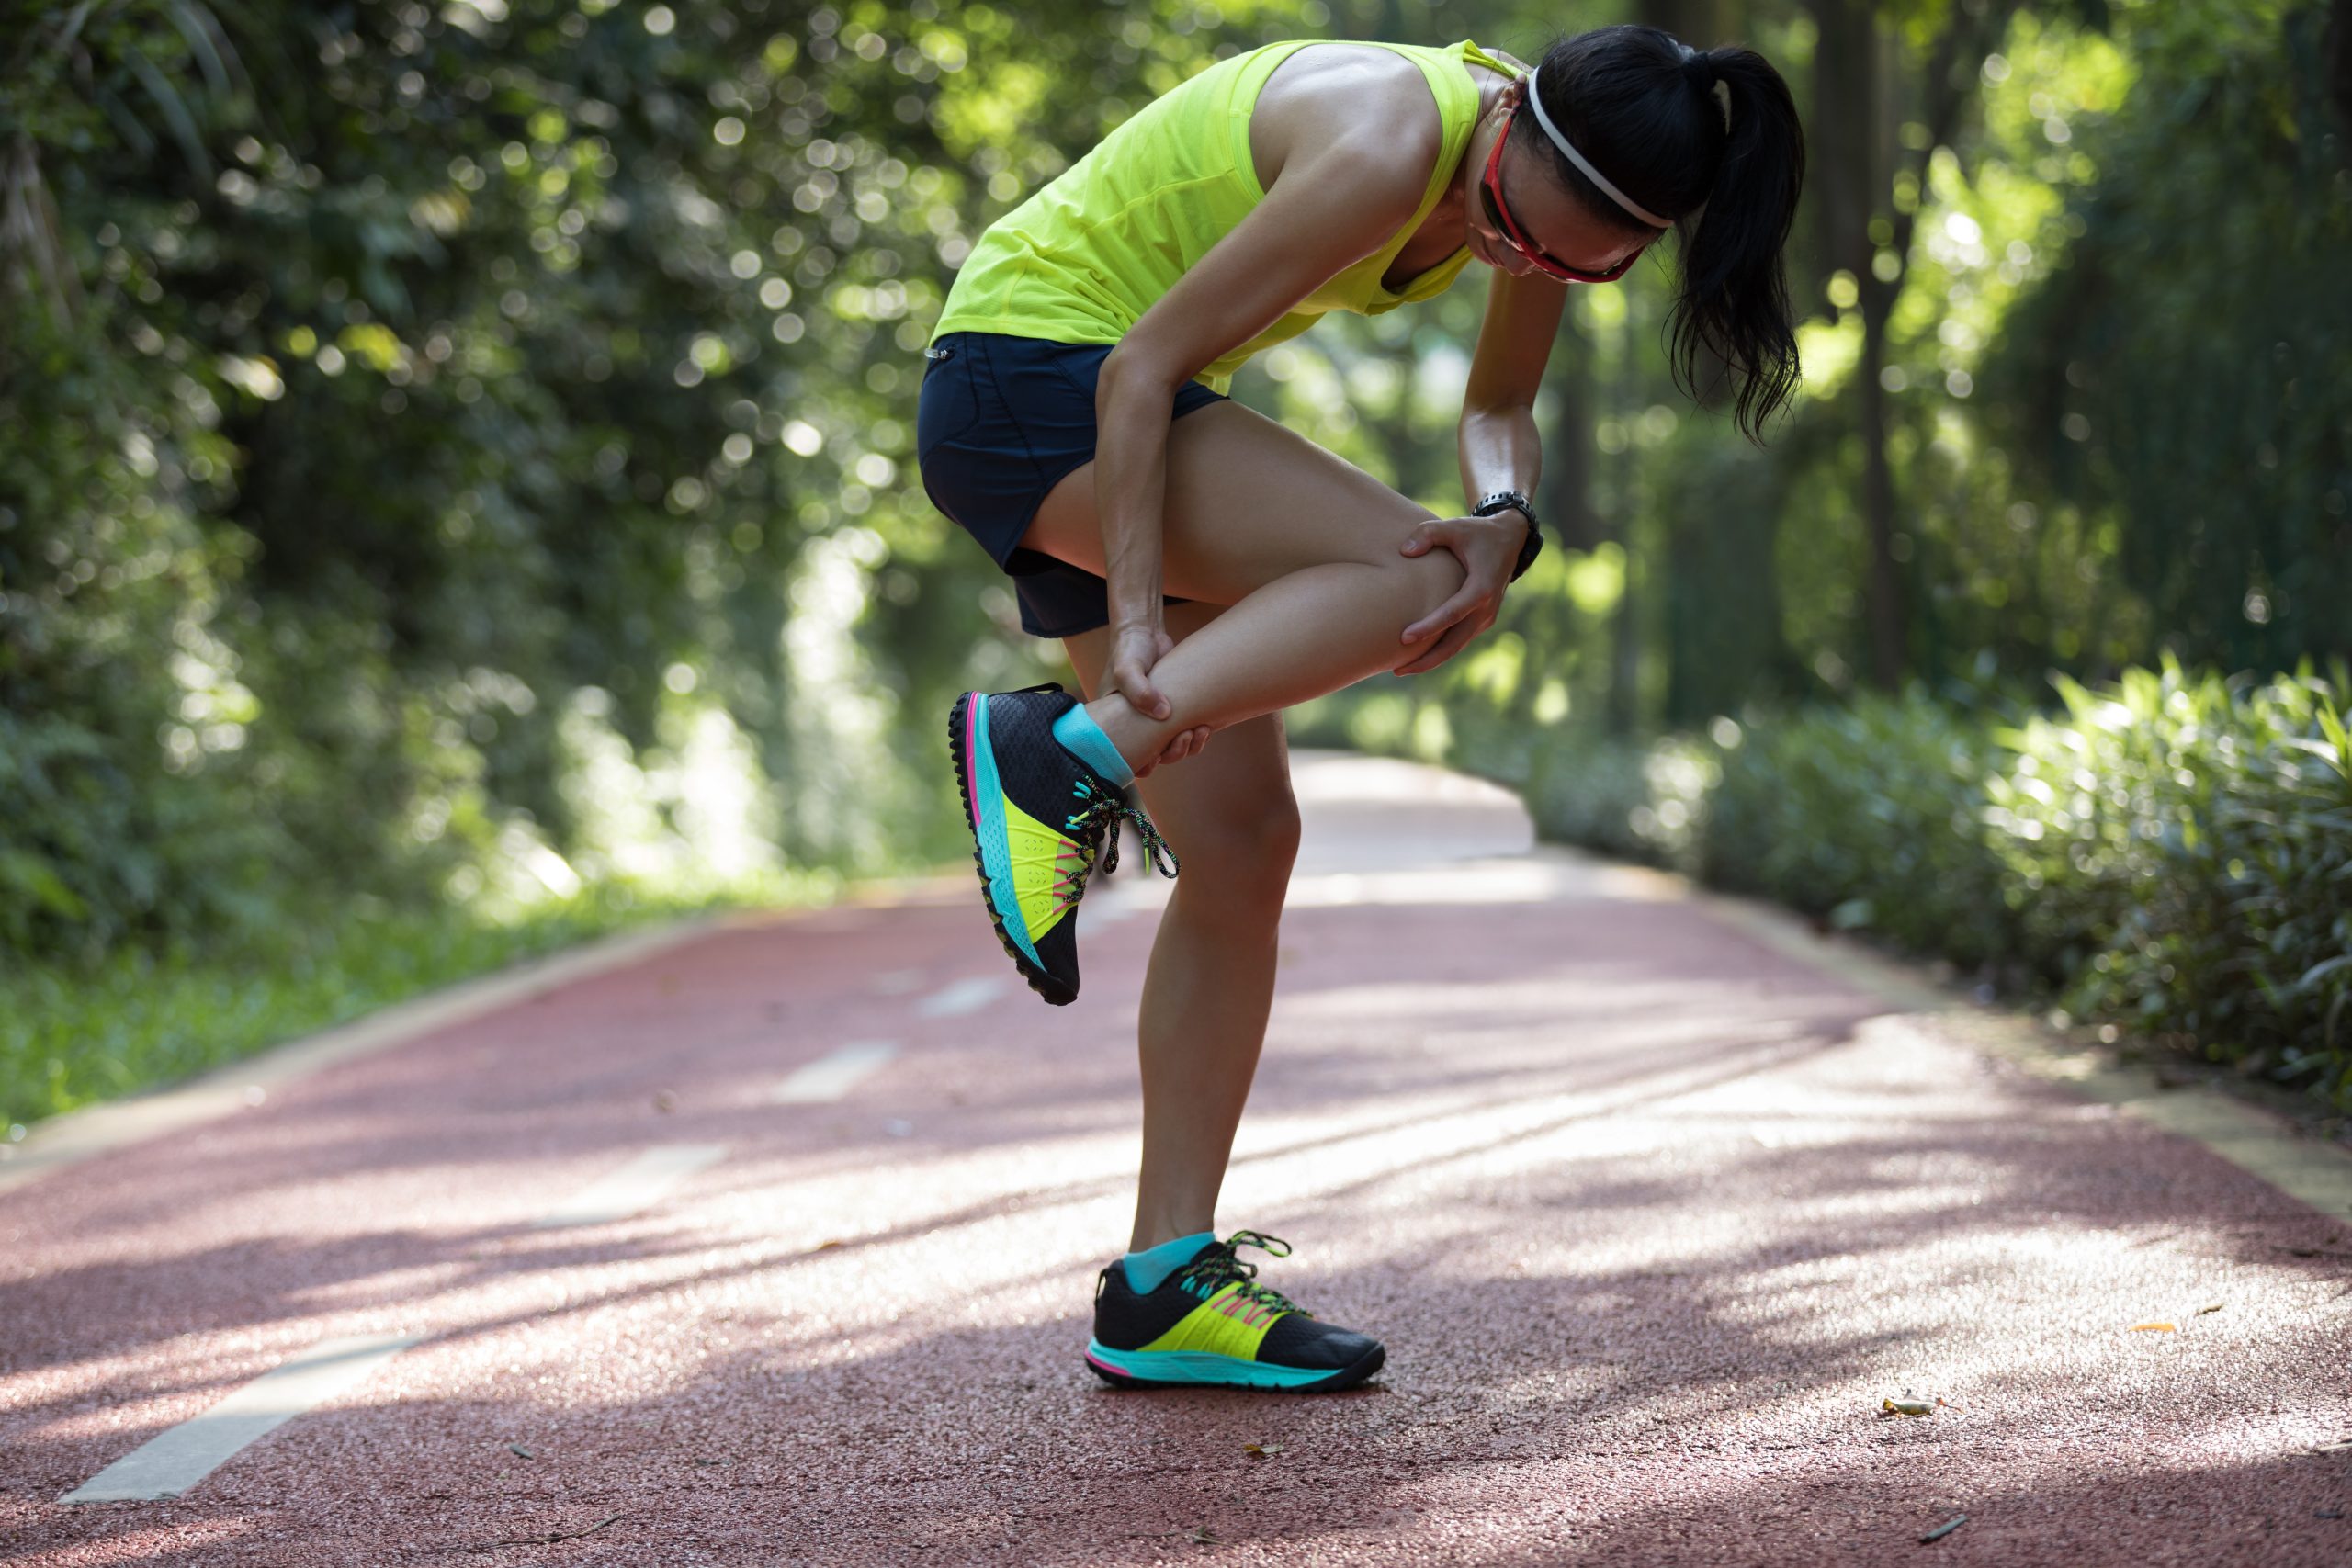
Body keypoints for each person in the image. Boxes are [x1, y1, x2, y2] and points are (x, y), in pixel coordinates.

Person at [916, 24, 1803, 1393]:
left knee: (1244, 849)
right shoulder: (1395, 138)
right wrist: (1145, 633)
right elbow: (1135, 369)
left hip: (1101, 407)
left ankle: (1162, 1284)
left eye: (1574, 266)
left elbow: (1500, 403)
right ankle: (1061, 755)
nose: (1518, 263)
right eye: (1508, 227)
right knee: (1407, 574)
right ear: (1505, 120)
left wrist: (1510, 517)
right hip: (1038, 377)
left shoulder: (1549, 187)